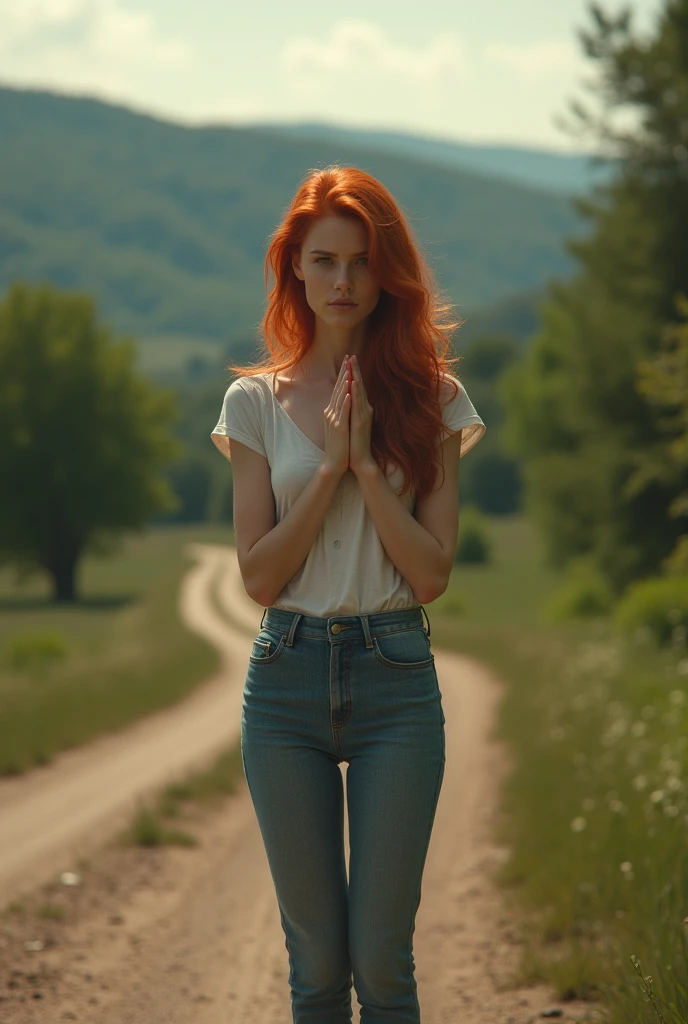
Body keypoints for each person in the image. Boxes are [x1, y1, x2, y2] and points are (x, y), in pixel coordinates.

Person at [210, 165, 485, 1023]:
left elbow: (432, 573)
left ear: (385, 274)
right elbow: (258, 577)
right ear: (294, 266)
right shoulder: (253, 403)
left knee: (382, 961)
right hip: (285, 681)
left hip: (395, 677)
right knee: (318, 966)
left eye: (361, 263)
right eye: (323, 260)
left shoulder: (434, 400)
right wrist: (328, 467)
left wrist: (367, 464)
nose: (342, 281)